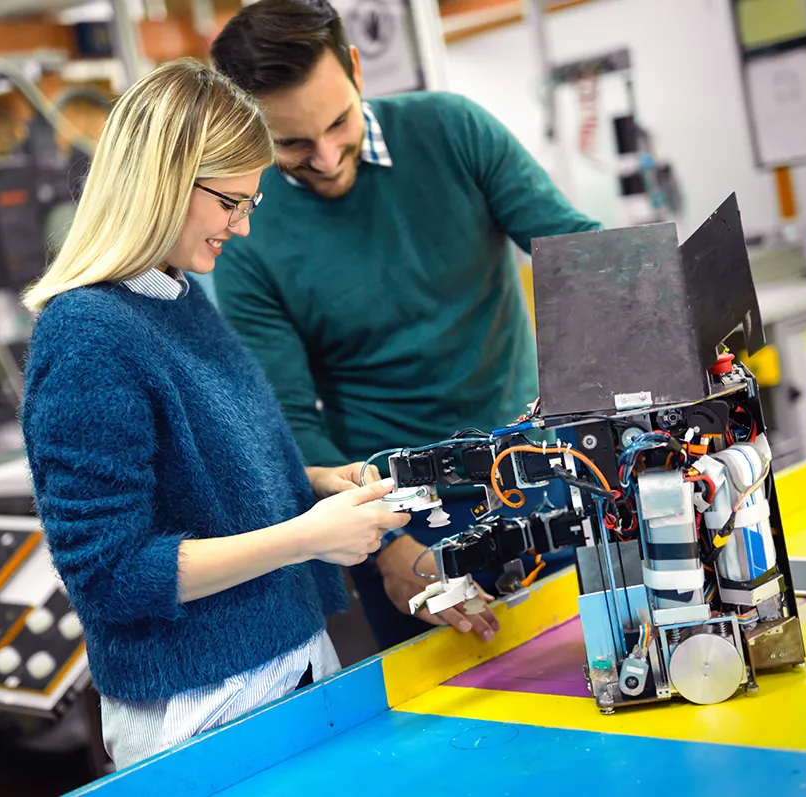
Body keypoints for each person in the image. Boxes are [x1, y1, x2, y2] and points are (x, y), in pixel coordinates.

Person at [19, 58, 410, 769]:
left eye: (250, 204)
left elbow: (212, 482)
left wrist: (316, 485)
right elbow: (111, 573)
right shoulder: (86, 333)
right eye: (230, 202)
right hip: (201, 706)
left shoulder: (176, 294)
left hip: (285, 666)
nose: (243, 227)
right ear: (164, 182)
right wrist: (307, 535)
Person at [209, 0, 602, 651]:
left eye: (338, 122)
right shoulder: (247, 236)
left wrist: (665, 299)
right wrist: (388, 545)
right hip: (400, 523)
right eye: (294, 144)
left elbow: (576, 256)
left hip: (542, 476)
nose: (330, 157)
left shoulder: (452, 131)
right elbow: (290, 426)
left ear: (356, 68)